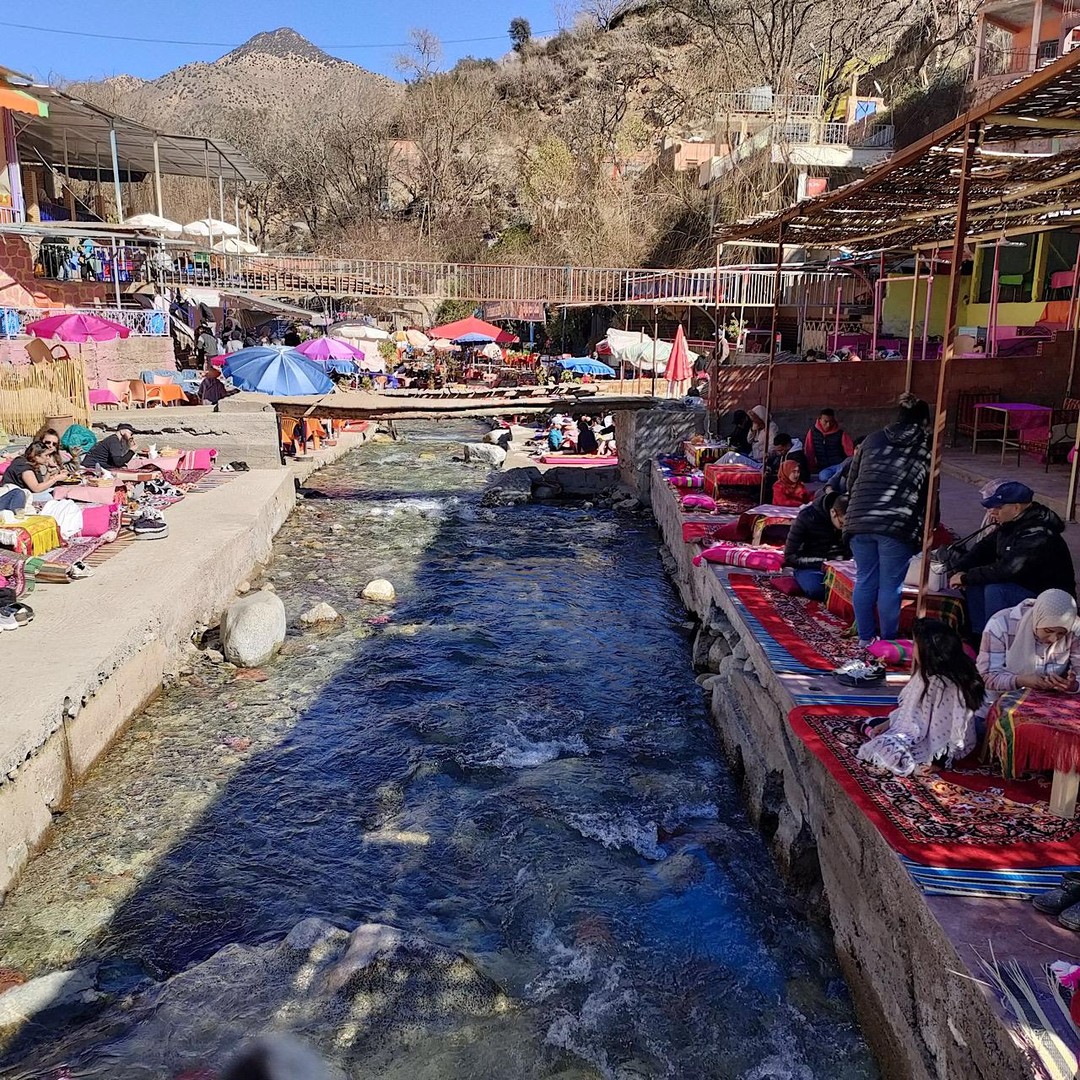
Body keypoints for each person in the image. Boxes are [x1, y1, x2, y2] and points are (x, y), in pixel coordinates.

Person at [843, 393, 931, 645]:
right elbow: (928, 492)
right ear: (924, 421)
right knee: (890, 585)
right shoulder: (926, 447)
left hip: (859, 518)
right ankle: (888, 641)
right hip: (897, 524)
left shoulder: (872, 439)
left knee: (866, 579)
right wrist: (930, 524)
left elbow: (852, 479)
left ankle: (865, 638)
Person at [856, 618, 985, 776]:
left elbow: (946, 728)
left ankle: (874, 730)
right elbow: (911, 709)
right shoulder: (928, 673)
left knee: (888, 747)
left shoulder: (946, 684)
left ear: (928, 651)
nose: (913, 648)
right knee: (882, 733)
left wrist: (938, 761)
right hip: (923, 729)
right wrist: (890, 722)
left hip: (943, 745)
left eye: (915, 644)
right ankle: (875, 727)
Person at [950, 481, 1076, 635]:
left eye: (998, 507)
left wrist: (965, 577)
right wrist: (959, 569)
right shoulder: (1010, 524)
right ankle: (979, 636)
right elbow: (983, 548)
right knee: (976, 583)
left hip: (1049, 599)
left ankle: (997, 638)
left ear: (1016, 508)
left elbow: (1008, 569)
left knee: (995, 590)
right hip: (1024, 586)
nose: (992, 512)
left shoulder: (1037, 533)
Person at [977, 589, 1080, 695]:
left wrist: (1073, 685)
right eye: (1048, 631)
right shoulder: (1001, 624)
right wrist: (1020, 680)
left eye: (1061, 634)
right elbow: (986, 676)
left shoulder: (1075, 628)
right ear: (1037, 619)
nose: (1053, 639)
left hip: (1049, 699)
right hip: (1002, 697)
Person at [783, 491, 848, 599]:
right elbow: (790, 556)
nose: (843, 528)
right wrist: (824, 562)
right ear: (833, 512)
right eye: (841, 524)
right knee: (817, 590)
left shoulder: (850, 521)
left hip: (841, 565)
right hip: (811, 566)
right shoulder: (806, 517)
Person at [804, 408, 855, 481]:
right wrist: (811, 466)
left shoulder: (841, 433)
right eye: (825, 421)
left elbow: (850, 452)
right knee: (823, 477)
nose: (828, 425)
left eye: (831, 422)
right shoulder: (812, 432)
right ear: (820, 419)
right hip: (823, 467)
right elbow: (809, 451)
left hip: (839, 464)